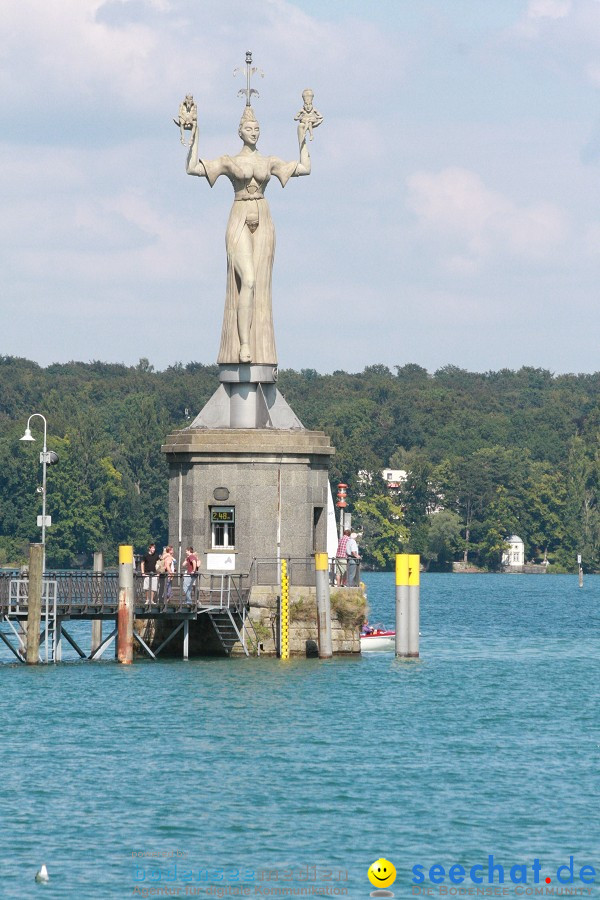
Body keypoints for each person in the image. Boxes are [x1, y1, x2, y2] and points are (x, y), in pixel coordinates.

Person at [186, 104, 311, 366]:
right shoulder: (229, 161)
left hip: (263, 217)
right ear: (239, 131)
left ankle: (259, 345)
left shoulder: (269, 161)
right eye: (249, 128)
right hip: (239, 215)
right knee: (249, 281)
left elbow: (304, 168)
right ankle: (243, 346)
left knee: (261, 284)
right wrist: (194, 135)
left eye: (257, 128)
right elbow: (193, 168)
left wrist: (303, 136)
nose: (254, 132)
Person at [141, 542, 160, 606]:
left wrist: (158, 573)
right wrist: (143, 572)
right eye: (152, 548)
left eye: (154, 548)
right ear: (149, 548)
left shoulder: (156, 555)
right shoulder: (145, 555)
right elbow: (142, 563)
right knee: (147, 588)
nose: (153, 549)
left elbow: (159, 564)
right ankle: (147, 600)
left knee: (153, 588)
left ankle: (151, 600)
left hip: (154, 573)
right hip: (147, 573)